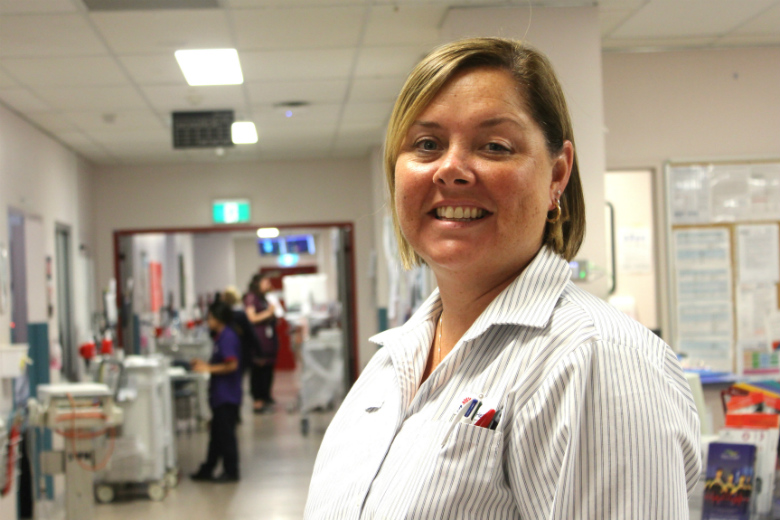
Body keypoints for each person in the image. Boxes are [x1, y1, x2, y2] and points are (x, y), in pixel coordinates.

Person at [304, 37, 701, 519]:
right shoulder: (397, 358)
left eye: (495, 146)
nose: (451, 169)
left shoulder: (594, 360)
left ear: (558, 173)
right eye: (426, 144)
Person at [190, 300, 242, 483]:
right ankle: (208, 468)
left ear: (219, 319)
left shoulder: (227, 337)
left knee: (226, 435)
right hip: (220, 394)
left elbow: (232, 364)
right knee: (217, 435)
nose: (208, 321)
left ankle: (231, 470)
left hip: (227, 395)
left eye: (210, 317)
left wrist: (207, 369)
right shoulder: (219, 337)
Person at [244, 273, 282, 413]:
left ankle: (266, 398)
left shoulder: (265, 298)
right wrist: (269, 313)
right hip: (258, 341)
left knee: (267, 370)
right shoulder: (251, 298)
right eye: (266, 282)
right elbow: (252, 318)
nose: (268, 285)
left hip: (268, 339)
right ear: (258, 283)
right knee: (258, 371)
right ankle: (258, 402)